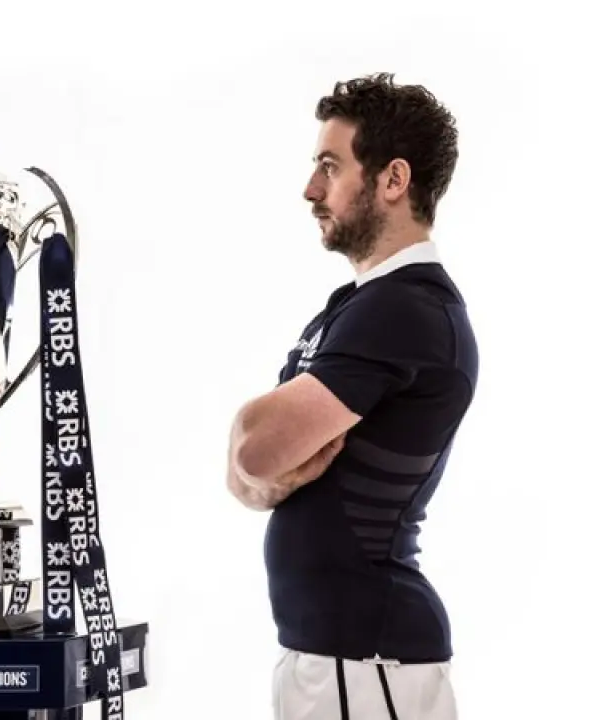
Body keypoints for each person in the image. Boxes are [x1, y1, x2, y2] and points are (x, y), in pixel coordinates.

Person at [225, 73, 477, 720]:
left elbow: (254, 449)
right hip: (338, 659)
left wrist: (254, 443)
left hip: (367, 663)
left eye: (330, 167)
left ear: (393, 180)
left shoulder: (405, 310)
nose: (311, 189)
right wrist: (260, 460)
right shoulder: (354, 307)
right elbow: (250, 477)